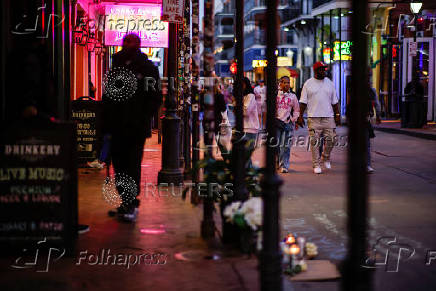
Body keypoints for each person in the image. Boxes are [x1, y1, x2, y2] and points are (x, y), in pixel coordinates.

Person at [102, 34, 162, 222]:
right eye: (125, 42)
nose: (127, 45)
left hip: (135, 126)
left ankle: (129, 202)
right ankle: (126, 201)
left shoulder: (147, 68)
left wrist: (143, 116)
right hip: (117, 124)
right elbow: (109, 95)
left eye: (130, 42)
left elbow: (155, 97)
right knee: (119, 164)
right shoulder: (117, 65)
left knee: (131, 163)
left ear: (138, 45)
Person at [298, 61, 340, 174]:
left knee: (332, 138)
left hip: (328, 117)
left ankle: (325, 157)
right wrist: (300, 116)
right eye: (321, 69)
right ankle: (316, 164)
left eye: (324, 69)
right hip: (313, 118)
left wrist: (337, 115)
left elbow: (335, 101)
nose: (323, 71)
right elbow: (302, 102)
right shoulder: (308, 84)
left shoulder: (330, 83)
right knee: (315, 142)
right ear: (316, 71)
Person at [276, 76, 300, 173]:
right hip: (277, 123)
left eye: (288, 82)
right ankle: (278, 161)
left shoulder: (293, 96)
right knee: (276, 145)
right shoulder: (275, 94)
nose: (287, 84)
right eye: (284, 82)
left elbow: (296, 109)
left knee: (285, 146)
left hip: (287, 123)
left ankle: (284, 165)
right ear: (280, 84)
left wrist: (294, 119)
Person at [241, 77, 260, 167]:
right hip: (243, 127)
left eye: (242, 84)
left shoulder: (250, 96)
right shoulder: (242, 96)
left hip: (250, 128)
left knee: (246, 154)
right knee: (244, 155)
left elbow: (246, 111)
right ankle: (249, 174)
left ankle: (249, 174)